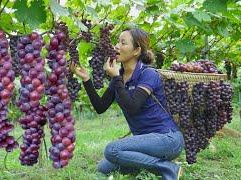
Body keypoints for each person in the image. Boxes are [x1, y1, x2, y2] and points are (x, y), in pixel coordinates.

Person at [70, 28, 184, 180]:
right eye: (117, 41)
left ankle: (168, 168)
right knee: (103, 167)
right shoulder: (120, 77)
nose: (116, 46)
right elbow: (100, 107)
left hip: (167, 139)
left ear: (136, 50)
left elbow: (132, 107)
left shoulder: (148, 74)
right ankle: (150, 165)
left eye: (123, 43)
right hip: (143, 142)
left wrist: (116, 78)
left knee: (112, 150)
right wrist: (86, 79)